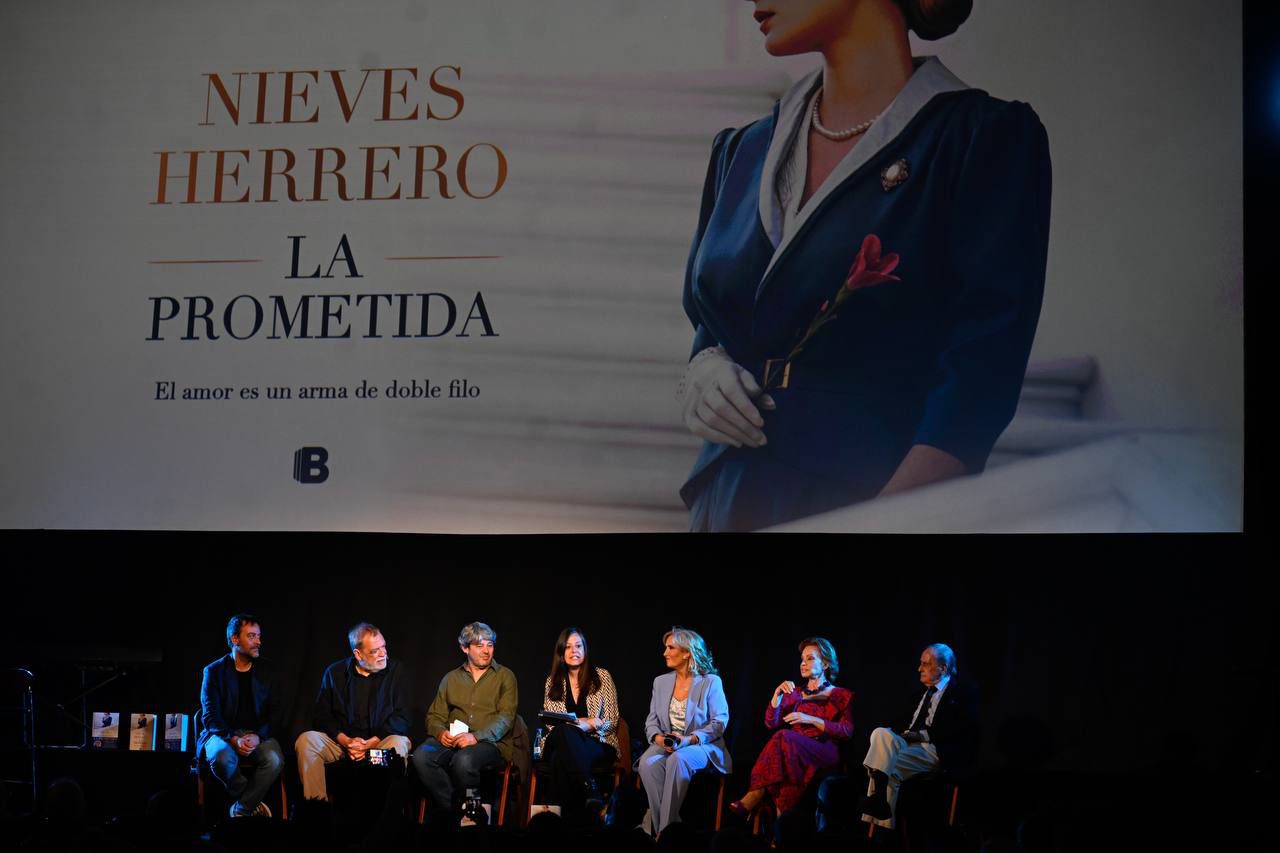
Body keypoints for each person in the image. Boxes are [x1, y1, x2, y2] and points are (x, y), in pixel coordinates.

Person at [678, 0, 1051, 531]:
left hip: (867, 509)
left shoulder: (979, 140)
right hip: (725, 504)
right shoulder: (741, 151)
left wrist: (881, 525)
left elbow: (978, 383)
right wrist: (703, 369)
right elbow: (711, 323)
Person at [729, 637, 853, 818]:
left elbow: (846, 731)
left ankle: (756, 793)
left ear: (825, 664)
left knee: (783, 737)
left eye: (810, 658)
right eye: (802, 659)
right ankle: (783, 822)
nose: (803, 663)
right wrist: (777, 695)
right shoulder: (794, 693)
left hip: (823, 749)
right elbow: (771, 723)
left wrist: (810, 719)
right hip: (793, 750)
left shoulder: (840, 694)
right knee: (786, 755)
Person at [860, 643, 978, 828]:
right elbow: (901, 722)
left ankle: (877, 829)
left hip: (934, 750)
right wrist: (900, 735)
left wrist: (919, 736)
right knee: (880, 734)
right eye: (920, 663)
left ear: (943, 668)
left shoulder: (962, 692)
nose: (919, 669)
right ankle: (880, 805)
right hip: (908, 745)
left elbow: (956, 728)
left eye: (925, 664)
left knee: (885, 767)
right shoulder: (919, 694)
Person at [295, 622, 412, 801]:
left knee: (398, 744)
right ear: (358, 654)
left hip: (376, 748)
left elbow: (403, 717)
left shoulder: (396, 672)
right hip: (342, 747)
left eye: (383, 647)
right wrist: (346, 741)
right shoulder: (335, 673)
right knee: (306, 741)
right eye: (375, 651)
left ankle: (386, 812)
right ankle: (317, 809)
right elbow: (321, 716)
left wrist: (371, 744)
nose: (383, 654)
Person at [412, 622, 518, 814]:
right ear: (465, 648)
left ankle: (471, 810)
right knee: (421, 756)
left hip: (490, 743)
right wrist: (440, 732)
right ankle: (455, 809)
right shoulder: (451, 678)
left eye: (490, 645)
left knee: (464, 760)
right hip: (454, 741)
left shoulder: (505, 677)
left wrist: (475, 737)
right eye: (479, 645)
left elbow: (505, 718)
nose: (486, 651)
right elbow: (434, 716)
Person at [638, 627, 731, 835]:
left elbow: (719, 722)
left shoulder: (710, 682)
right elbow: (651, 720)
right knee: (647, 763)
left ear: (687, 652)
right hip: (669, 742)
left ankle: (664, 832)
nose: (665, 653)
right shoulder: (660, 682)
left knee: (678, 759)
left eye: (671, 648)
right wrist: (658, 738)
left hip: (701, 744)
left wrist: (689, 740)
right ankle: (665, 826)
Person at [196, 614, 284, 818]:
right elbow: (210, 716)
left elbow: (276, 711)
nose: (258, 642)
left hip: (257, 734)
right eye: (251, 636)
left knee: (274, 760)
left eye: (259, 636)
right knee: (222, 757)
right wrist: (232, 739)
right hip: (222, 734)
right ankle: (252, 803)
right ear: (235, 639)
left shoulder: (268, 670)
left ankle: (241, 810)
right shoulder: (214, 671)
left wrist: (259, 736)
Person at [537, 627, 621, 820]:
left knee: (559, 759)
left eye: (578, 646)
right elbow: (553, 723)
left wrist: (588, 726)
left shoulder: (602, 677)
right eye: (568, 647)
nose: (574, 651)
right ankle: (590, 790)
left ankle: (563, 821)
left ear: (585, 649)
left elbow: (611, 719)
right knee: (564, 733)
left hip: (597, 741)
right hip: (560, 737)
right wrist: (584, 722)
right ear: (561, 652)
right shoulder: (552, 681)